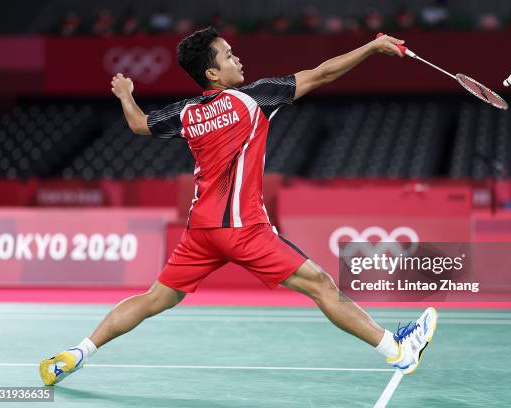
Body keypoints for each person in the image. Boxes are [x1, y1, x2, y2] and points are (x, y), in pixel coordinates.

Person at [39, 26, 438, 387]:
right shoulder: (251, 99)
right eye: (229, 55)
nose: (237, 59)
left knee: (152, 299)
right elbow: (321, 74)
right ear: (212, 73)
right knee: (321, 286)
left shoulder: (186, 112)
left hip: (200, 233)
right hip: (244, 229)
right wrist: (371, 46)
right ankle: (397, 350)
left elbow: (139, 125)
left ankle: (78, 353)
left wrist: (126, 95)